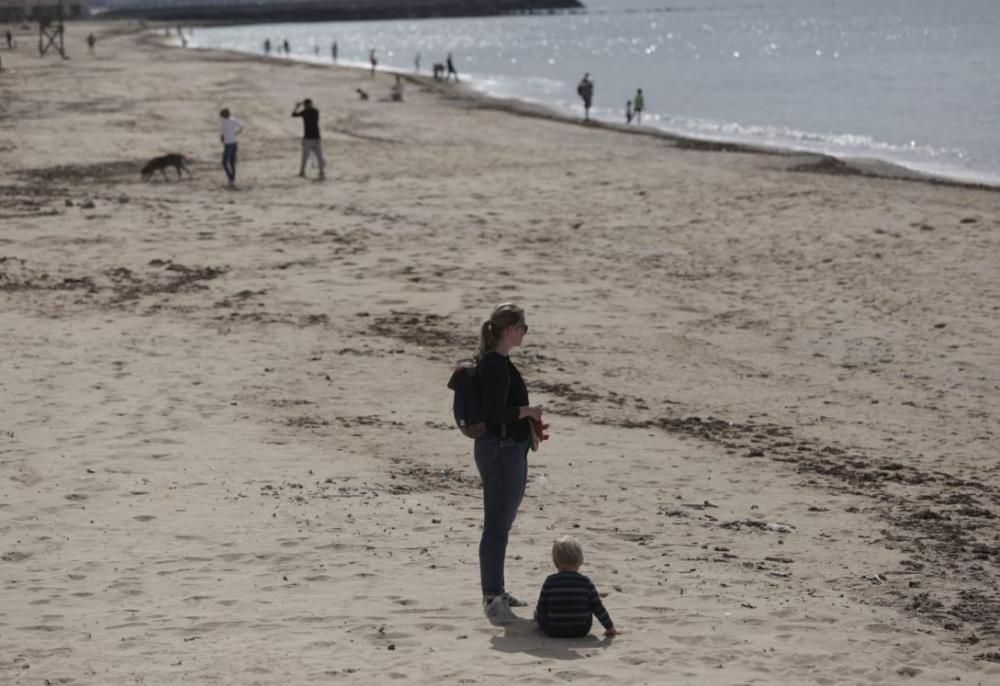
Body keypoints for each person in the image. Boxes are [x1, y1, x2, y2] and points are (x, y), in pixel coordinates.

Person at [474, 303, 544, 625]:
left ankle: (498, 590)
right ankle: (492, 597)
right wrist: (527, 412)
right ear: (508, 330)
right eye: (522, 327)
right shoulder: (494, 366)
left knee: (502, 524)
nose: (525, 332)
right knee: (496, 527)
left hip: (508, 448)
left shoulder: (500, 361)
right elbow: (493, 413)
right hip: (499, 450)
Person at [534, 536, 618, 638]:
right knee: (590, 603)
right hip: (581, 630)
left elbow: (541, 607)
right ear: (580, 560)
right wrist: (610, 628)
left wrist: (538, 619)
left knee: (538, 613)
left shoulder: (550, 581)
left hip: (553, 630)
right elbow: (598, 608)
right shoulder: (585, 582)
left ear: (555, 562)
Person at [292, 98, 326, 179]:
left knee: (306, 157)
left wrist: (297, 107)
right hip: (315, 137)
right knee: (318, 156)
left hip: (309, 138)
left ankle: (303, 172)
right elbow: (294, 115)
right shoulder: (315, 111)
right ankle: (320, 172)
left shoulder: (306, 112)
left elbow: (293, 115)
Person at [219, 107, 243, 189]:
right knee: (231, 162)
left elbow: (222, 134)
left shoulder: (224, 122)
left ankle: (231, 179)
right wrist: (235, 133)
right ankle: (232, 180)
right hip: (233, 143)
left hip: (228, 144)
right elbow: (242, 126)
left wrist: (223, 138)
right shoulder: (233, 119)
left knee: (225, 162)